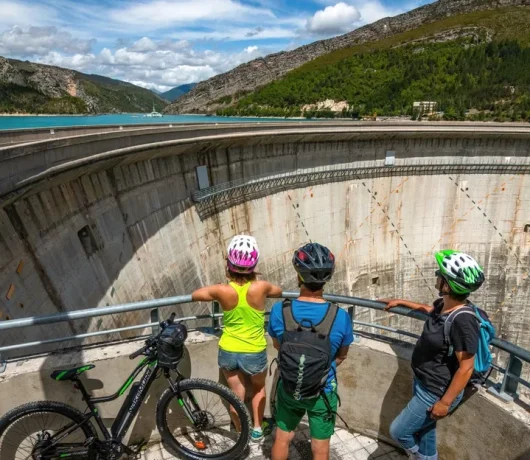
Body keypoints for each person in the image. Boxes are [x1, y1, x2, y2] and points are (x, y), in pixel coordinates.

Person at [382, 250, 485, 460]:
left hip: (435, 391)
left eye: (440, 274)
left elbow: (466, 368)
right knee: (426, 430)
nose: (436, 276)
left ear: (446, 286)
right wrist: (400, 301)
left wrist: (445, 403)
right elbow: (430, 310)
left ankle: (418, 457)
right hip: (424, 381)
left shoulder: (463, 322)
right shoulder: (444, 306)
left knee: (399, 432)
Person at [191, 235, 282, 442]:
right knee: (258, 388)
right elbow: (280, 291)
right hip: (254, 350)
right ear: (254, 264)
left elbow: (195, 294)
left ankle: (241, 432)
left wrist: (219, 288)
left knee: (236, 396)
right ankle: (258, 429)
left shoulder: (221, 290)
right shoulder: (262, 287)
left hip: (228, 350)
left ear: (228, 263)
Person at [268, 242, 354, 460]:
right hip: (323, 390)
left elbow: (278, 347)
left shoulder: (280, 311)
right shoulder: (340, 316)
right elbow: (342, 355)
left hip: (289, 386)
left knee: (282, 437)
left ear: (299, 276)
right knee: (320, 447)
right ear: (327, 278)